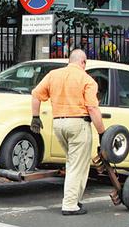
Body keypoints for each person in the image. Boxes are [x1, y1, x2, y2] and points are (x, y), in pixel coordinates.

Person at [30, 49, 106, 216]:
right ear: (83, 62)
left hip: (58, 123)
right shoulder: (87, 80)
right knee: (77, 166)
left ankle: (75, 200)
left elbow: (35, 95)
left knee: (74, 162)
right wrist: (102, 133)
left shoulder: (53, 75)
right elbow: (92, 108)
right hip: (78, 124)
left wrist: (35, 117)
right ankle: (70, 204)